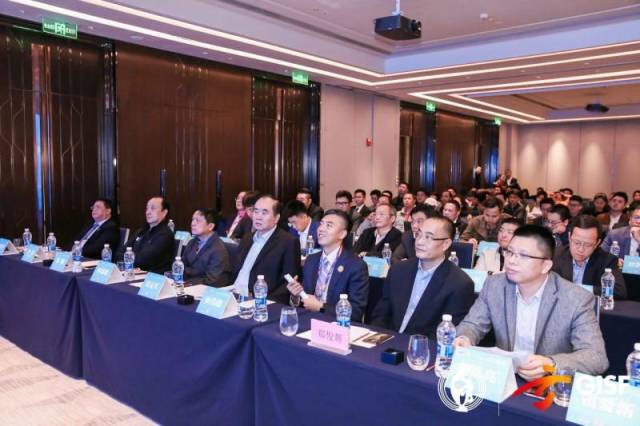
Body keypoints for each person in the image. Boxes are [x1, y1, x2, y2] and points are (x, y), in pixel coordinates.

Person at [454, 225, 609, 379]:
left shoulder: (576, 299)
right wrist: (464, 338)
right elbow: (472, 325)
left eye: (523, 256)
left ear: (545, 266)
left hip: (548, 384)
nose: (511, 261)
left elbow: (596, 358)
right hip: (504, 377)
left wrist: (551, 363)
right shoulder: (494, 285)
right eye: (510, 252)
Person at [371, 216, 475, 338]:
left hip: (422, 346)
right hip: (385, 340)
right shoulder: (398, 270)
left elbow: (445, 332)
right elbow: (381, 314)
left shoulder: (460, 284)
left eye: (428, 237)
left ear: (446, 244)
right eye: (418, 234)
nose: (419, 242)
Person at [287, 210, 369, 321]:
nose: (321, 229)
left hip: (336, 325)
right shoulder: (311, 260)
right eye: (321, 224)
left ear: (342, 234)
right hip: (308, 319)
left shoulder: (356, 265)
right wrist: (296, 295)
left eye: (329, 225)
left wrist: (321, 307)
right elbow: (304, 300)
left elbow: (356, 312)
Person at [232, 195, 301, 304]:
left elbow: (288, 283)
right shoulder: (247, 238)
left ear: (276, 218)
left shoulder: (288, 242)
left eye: (264, 213)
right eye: (256, 211)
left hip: (259, 301)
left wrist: (262, 302)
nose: (258, 217)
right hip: (233, 294)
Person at [552, 215, 627, 299]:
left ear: (597, 243)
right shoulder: (555, 255)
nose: (581, 249)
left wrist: (581, 289)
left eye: (587, 245)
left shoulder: (607, 260)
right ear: (569, 237)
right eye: (577, 243)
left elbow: (619, 291)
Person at [117, 196, 174, 273]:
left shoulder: (165, 235)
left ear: (164, 212)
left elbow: (143, 260)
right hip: (133, 272)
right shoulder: (141, 231)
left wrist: (129, 259)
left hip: (152, 276)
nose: (148, 212)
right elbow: (121, 252)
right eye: (147, 209)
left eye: (153, 208)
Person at [181, 208, 232, 287]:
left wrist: (186, 283)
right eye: (193, 219)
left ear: (210, 226)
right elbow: (181, 265)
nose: (193, 223)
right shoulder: (192, 242)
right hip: (189, 284)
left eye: (198, 220)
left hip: (207, 289)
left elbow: (211, 280)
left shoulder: (218, 249)